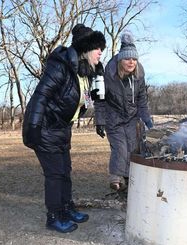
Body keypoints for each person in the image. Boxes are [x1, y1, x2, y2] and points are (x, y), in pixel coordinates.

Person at [22, 24, 106, 233]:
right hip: (44, 128)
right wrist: (33, 127)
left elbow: (85, 103)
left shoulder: (86, 73)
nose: (101, 52)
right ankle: (54, 216)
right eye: (98, 48)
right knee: (55, 175)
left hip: (62, 129)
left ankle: (67, 208)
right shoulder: (60, 66)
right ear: (86, 49)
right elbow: (41, 95)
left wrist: (95, 94)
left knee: (65, 172)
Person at [94, 32, 153, 191]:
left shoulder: (139, 74)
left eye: (134, 59)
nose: (131, 62)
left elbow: (142, 98)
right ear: (121, 60)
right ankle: (116, 178)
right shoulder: (107, 74)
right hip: (113, 116)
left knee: (133, 147)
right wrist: (99, 121)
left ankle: (129, 179)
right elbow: (99, 100)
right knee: (120, 147)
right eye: (128, 59)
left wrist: (147, 119)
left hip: (132, 117)